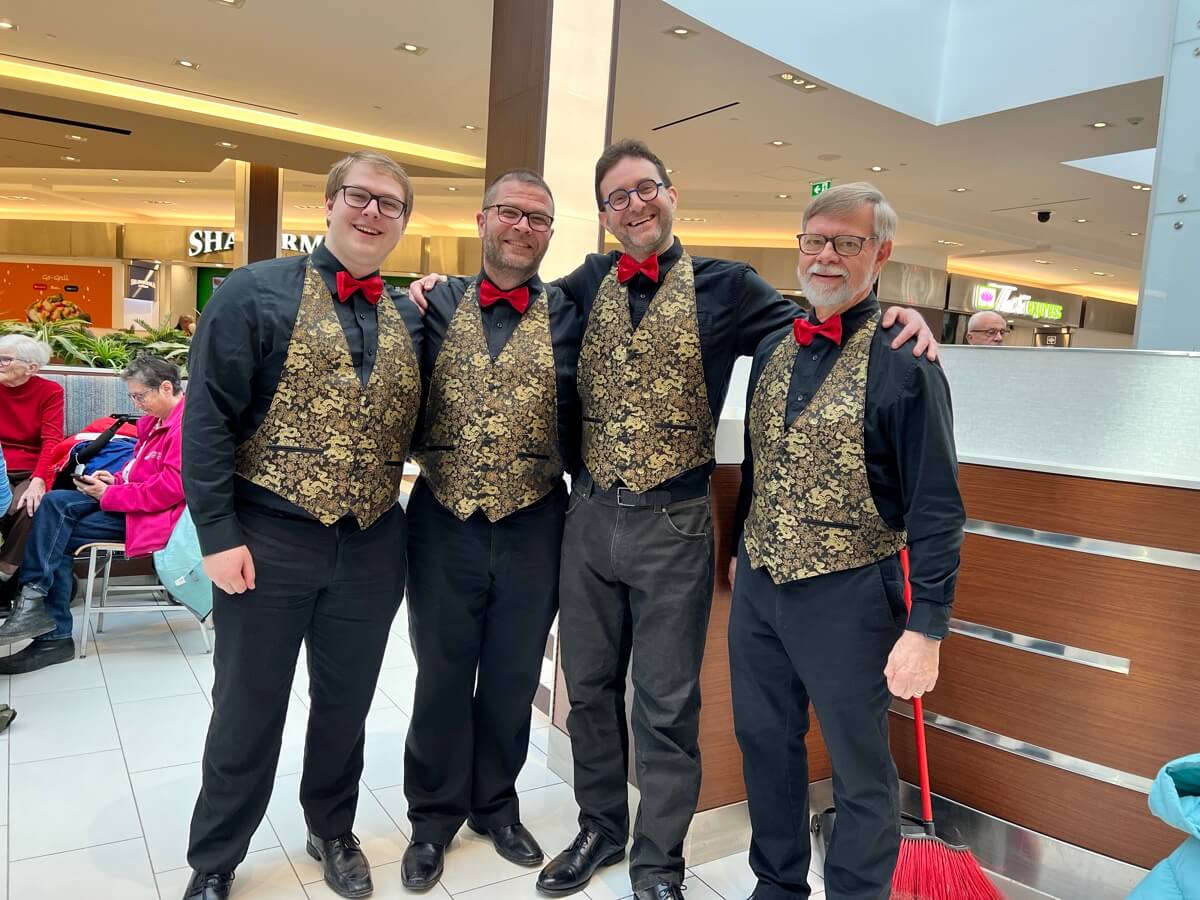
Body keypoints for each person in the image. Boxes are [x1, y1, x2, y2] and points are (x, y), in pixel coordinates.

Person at [411, 140, 938, 900]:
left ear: (670, 194)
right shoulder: (584, 285)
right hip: (587, 516)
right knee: (586, 687)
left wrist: (893, 312)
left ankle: (659, 860)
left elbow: (820, 318)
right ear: (603, 215)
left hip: (677, 523)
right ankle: (600, 827)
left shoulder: (729, 286)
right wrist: (438, 287)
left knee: (664, 701)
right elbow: (509, 298)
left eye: (645, 189)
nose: (634, 205)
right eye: (617, 197)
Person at [181, 150, 423, 900]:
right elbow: (208, 420)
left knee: (346, 700)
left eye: (390, 204)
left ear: (403, 222)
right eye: (360, 196)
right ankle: (216, 856)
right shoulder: (254, 291)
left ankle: (332, 826)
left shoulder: (413, 317)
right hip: (267, 536)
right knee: (248, 705)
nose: (373, 212)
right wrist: (217, 535)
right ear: (328, 204)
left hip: (375, 539)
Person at [728, 182, 965, 900]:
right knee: (767, 747)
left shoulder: (906, 360)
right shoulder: (772, 346)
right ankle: (777, 886)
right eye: (815, 240)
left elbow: (937, 508)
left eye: (847, 242)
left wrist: (926, 629)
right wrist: (742, 551)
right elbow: (759, 460)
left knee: (860, 768)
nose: (826, 256)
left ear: (880, 253)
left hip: (852, 593)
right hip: (761, 590)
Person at [399, 169, 582, 890]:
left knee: (512, 676)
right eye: (510, 213)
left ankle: (495, 806)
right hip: (443, 518)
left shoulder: (571, 311)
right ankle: (432, 817)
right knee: (442, 674)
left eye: (538, 218)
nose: (523, 228)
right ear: (482, 221)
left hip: (537, 519)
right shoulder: (431, 303)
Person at [0, 355, 187, 672]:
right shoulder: (152, 422)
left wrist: (112, 493)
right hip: (130, 503)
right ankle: (38, 613)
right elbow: (138, 472)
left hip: (156, 518)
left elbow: (171, 490)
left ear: (166, 387)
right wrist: (114, 480)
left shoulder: (187, 427)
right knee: (54, 503)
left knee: (52, 531)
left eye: (140, 395)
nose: (136, 403)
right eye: (132, 396)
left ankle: (49, 630)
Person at [0, 334, 65, 584]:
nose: (0, 364)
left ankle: (6, 571)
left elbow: (52, 441)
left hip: (30, 468)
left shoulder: (50, 391)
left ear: (31, 368)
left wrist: (39, 479)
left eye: (6, 360)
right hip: (1, 466)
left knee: (31, 506)